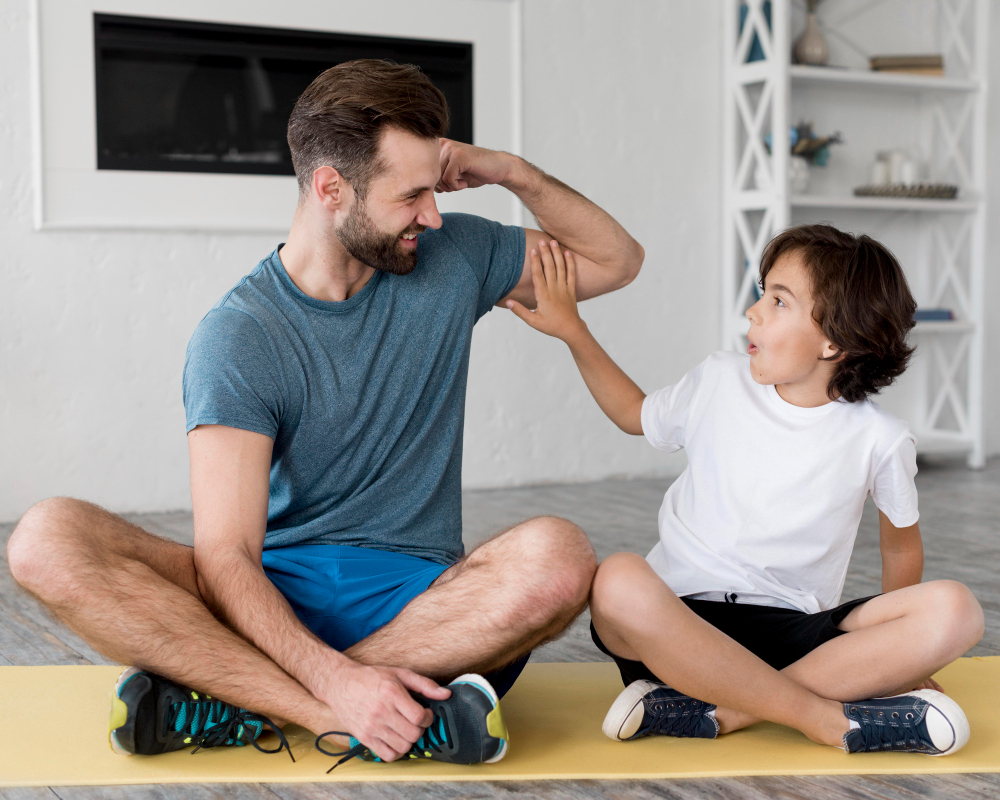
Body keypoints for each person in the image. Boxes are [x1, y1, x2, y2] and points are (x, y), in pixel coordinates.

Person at [6, 59, 645, 766]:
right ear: (330, 188)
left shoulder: (453, 255)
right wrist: (331, 686)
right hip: (269, 591)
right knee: (44, 539)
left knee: (560, 557)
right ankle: (345, 710)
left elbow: (616, 260)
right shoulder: (240, 335)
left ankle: (231, 700)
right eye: (410, 197)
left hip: (418, 598)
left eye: (434, 190)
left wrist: (512, 172)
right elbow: (228, 558)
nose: (431, 215)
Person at [507, 224, 984, 756]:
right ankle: (821, 717)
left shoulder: (882, 438)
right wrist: (573, 329)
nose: (754, 311)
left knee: (958, 609)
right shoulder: (717, 379)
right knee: (616, 578)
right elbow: (633, 414)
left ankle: (726, 709)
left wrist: (900, 661)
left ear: (836, 340)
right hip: (675, 622)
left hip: (788, 632)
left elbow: (901, 545)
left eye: (778, 301)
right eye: (763, 293)